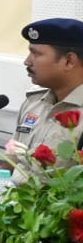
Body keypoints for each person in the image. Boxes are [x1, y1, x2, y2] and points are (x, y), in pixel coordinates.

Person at [13, 18, 83, 177]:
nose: (27, 61)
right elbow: (11, 160)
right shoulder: (34, 103)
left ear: (69, 61)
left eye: (36, 54)